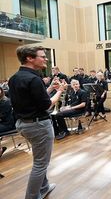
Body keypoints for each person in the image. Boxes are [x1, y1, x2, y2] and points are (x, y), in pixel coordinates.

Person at [8, 45, 65, 199]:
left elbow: (32, 100)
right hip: (38, 125)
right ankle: (32, 196)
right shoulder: (34, 78)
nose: (46, 58)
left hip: (23, 124)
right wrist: (60, 90)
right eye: (42, 56)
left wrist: (50, 90)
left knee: (39, 158)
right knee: (40, 164)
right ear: (30, 58)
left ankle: (44, 187)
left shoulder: (14, 78)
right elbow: (47, 105)